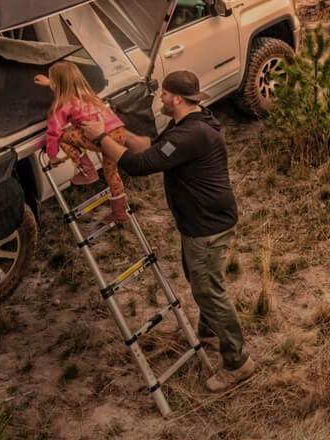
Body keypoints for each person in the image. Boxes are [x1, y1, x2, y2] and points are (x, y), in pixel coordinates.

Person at [89, 70, 254, 393]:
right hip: (199, 222)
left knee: (208, 290)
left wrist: (99, 139)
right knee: (199, 280)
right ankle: (209, 332)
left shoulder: (191, 135)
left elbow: (140, 166)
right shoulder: (186, 123)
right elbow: (149, 147)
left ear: (177, 98)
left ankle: (238, 362)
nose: (160, 99)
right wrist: (114, 132)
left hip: (207, 225)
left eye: (164, 94)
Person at [36, 61, 132, 222]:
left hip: (100, 137)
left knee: (61, 135)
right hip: (119, 133)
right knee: (111, 172)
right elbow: (64, 85)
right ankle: (120, 212)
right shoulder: (88, 95)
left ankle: (88, 171)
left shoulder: (61, 105)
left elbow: (53, 132)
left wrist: (52, 156)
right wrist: (49, 83)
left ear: (58, 84)